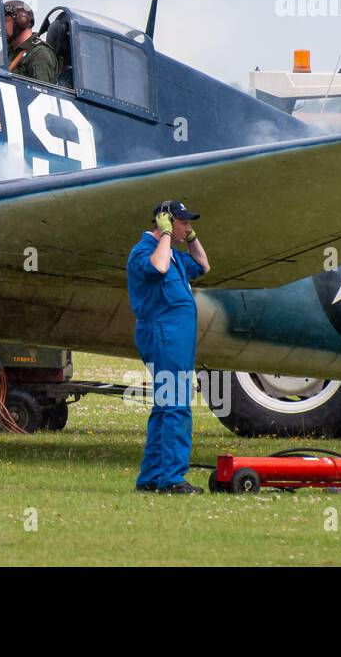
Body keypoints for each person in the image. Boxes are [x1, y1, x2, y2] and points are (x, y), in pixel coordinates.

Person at [125, 201, 210, 494]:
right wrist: (163, 235)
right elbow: (157, 267)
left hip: (176, 337)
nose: (187, 227)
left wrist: (191, 237)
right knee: (176, 405)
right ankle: (172, 478)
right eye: (183, 222)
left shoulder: (174, 253)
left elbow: (203, 265)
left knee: (165, 407)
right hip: (163, 334)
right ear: (164, 222)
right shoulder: (145, 252)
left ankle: (150, 478)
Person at [3, 0, 59, 85]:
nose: (1, 26)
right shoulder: (6, 54)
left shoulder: (39, 53)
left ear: (22, 20)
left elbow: (42, 94)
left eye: (6, 21)